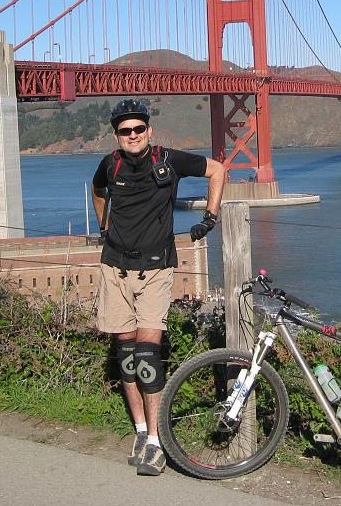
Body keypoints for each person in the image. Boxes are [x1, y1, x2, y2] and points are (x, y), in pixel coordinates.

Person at [91, 99, 225, 476]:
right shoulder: (110, 164)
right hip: (114, 268)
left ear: (149, 130)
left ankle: (155, 440)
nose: (132, 135)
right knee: (127, 356)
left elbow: (218, 171)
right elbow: (98, 190)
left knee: (148, 357)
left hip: (155, 269)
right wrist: (104, 227)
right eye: (124, 131)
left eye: (138, 129)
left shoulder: (169, 159)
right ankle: (139, 429)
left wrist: (210, 216)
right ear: (116, 135)